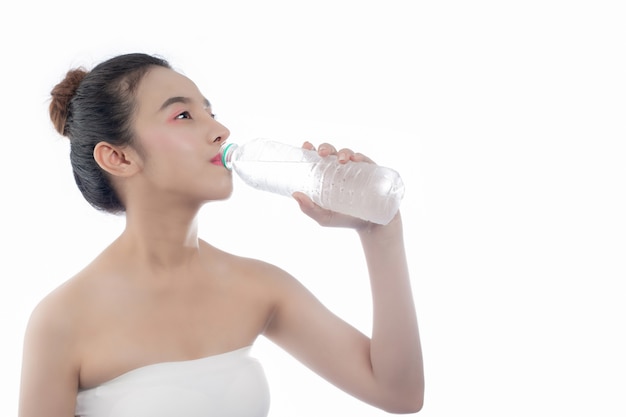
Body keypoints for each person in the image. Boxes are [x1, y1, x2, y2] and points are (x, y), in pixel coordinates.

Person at [18, 52, 424, 417]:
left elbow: (398, 393)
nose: (220, 130)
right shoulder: (63, 321)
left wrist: (380, 232)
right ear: (119, 157)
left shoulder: (258, 287)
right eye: (183, 116)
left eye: (210, 112)